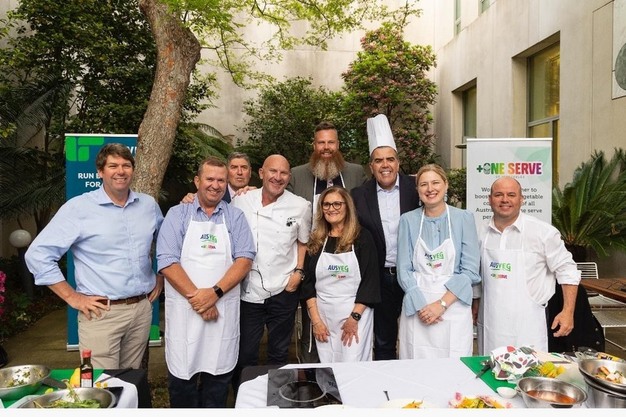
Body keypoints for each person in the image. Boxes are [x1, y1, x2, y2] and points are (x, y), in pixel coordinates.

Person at [25, 143, 163, 369]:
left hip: (141, 310)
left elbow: (167, 243)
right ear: (100, 172)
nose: (120, 171)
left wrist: (161, 276)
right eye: (113, 166)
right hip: (102, 314)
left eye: (126, 165)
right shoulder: (79, 208)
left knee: (130, 380)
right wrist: (73, 297)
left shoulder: (148, 205)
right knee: (102, 383)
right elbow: (37, 255)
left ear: (133, 170)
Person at [156, 157, 255, 408]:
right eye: (209, 179)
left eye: (221, 180)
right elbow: (167, 261)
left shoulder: (235, 217)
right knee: (183, 382)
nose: (215, 185)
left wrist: (214, 294)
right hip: (186, 313)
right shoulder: (177, 214)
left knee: (217, 384)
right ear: (197, 181)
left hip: (221, 312)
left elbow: (245, 259)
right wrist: (200, 300)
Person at [231, 154, 312, 390]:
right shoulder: (241, 200)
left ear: (289, 177)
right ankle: (244, 398)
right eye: (273, 171)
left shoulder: (301, 206)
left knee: (279, 353)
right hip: (248, 290)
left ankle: (277, 399)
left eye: (283, 173)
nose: (278, 177)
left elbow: (303, 242)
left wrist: (298, 272)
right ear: (261, 173)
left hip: (284, 289)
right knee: (245, 353)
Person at [288, 120, 367, 363]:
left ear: (338, 144)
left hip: (348, 254)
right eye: (321, 142)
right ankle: (312, 373)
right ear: (314, 145)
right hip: (311, 256)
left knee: (350, 345)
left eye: (330, 142)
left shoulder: (356, 173)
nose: (326, 147)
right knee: (312, 330)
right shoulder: (296, 175)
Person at [476, 176, 581, 354]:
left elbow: (567, 270)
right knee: (491, 368)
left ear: (521, 199)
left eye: (511, 195)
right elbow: (476, 274)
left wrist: (568, 311)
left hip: (529, 324)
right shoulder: (480, 232)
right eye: (498, 194)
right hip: (490, 323)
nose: (505, 200)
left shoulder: (543, 232)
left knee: (530, 368)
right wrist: (475, 303)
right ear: (490, 199)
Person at [351, 114, 420, 360]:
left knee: (418, 336)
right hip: (379, 278)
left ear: (398, 163)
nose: (385, 165)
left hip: (415, 275)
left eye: (390, 159)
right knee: (383, 340)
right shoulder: (358, 195)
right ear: (371, 167)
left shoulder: (417, 189)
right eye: (378, 160)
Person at [396, 164, 481, 359]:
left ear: (446, 185)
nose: (430, 189)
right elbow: (403, 269)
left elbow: (469, 270)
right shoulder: (407, 220)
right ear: (417, 189)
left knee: (453, 365)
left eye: (435, 183)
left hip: (453, 306)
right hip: (418, 308)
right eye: (423, 184)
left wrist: (441, 305)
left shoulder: (464, 218)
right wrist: (421, 306)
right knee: (415, 363)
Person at [301, 187, 380, 362]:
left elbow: (370, 282)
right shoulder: (317, 240)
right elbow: (308, 285)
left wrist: (354, 318)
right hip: (324, 318)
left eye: (337, 204)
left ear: (347, 206)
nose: (332, 209)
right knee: (328, 366)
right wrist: (316, 321)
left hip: (356, 314)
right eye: (326, 204)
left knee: (353, 365)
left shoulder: (362, 238)